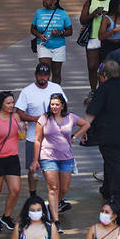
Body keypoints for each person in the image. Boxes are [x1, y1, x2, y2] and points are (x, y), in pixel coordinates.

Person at [84, 59, 120, 206]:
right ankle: (107, 189)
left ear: (104, 75)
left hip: (108, 133)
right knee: (112, 160)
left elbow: (92, 112)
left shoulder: (103, 89)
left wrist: (83, 129)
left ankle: (119, 195)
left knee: (114, 163)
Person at [33, 93, 90, 228]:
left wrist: (75, 136)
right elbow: (37, 140)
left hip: (66, 158)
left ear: (62, 105)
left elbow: (86, 124)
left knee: (63, 189)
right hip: (48, 157)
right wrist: (35, 160)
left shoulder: (70, 117)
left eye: (57, 104)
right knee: (53, 188)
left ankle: (51, 207)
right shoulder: (44, 119)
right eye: (52, 104)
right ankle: (55, 220)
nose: (54, 107)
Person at [16, 63, 64, 198]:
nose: (42, 77)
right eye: (40, 74)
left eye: (45, 75)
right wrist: (36, 119)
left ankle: (56, 197)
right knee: (33, 169)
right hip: (33, 136)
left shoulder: (56, 88)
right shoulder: (27, 91)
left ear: (49, 75)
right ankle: (33, 196)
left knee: (54, 168)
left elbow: (64, 108)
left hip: (53, 137)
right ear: (35, 74)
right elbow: (19, 113)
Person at [0, 90, 24, 231]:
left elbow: (21, 136)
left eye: (12, 103)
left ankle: (6, 216)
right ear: (1, 104)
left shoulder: (16, 117)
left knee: (15, 189)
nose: (11, 105)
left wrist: (23, 130)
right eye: (8, 103)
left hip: (12, 157)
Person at [31, 0, 73, 84]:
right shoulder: (39, 13)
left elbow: (70, 31)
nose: (44, 0)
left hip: (59, 46)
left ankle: (55, 95)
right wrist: (39, 35)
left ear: (54, 1)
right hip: (43, 45)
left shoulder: (63, 13)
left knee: (57, 73)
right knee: (44, 71)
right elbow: (32, 29)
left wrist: (60, 33)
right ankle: (45, 92)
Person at [79, 0, 111, 99]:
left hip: (108, 38)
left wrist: (107, 14)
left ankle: (103, 91)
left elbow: (119, 16)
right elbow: (82, 20)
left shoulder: (112, 1)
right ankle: (93, 90)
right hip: (93, 37)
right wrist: (94, 14)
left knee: (105, 67)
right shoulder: (90, 1)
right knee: (92, 67)